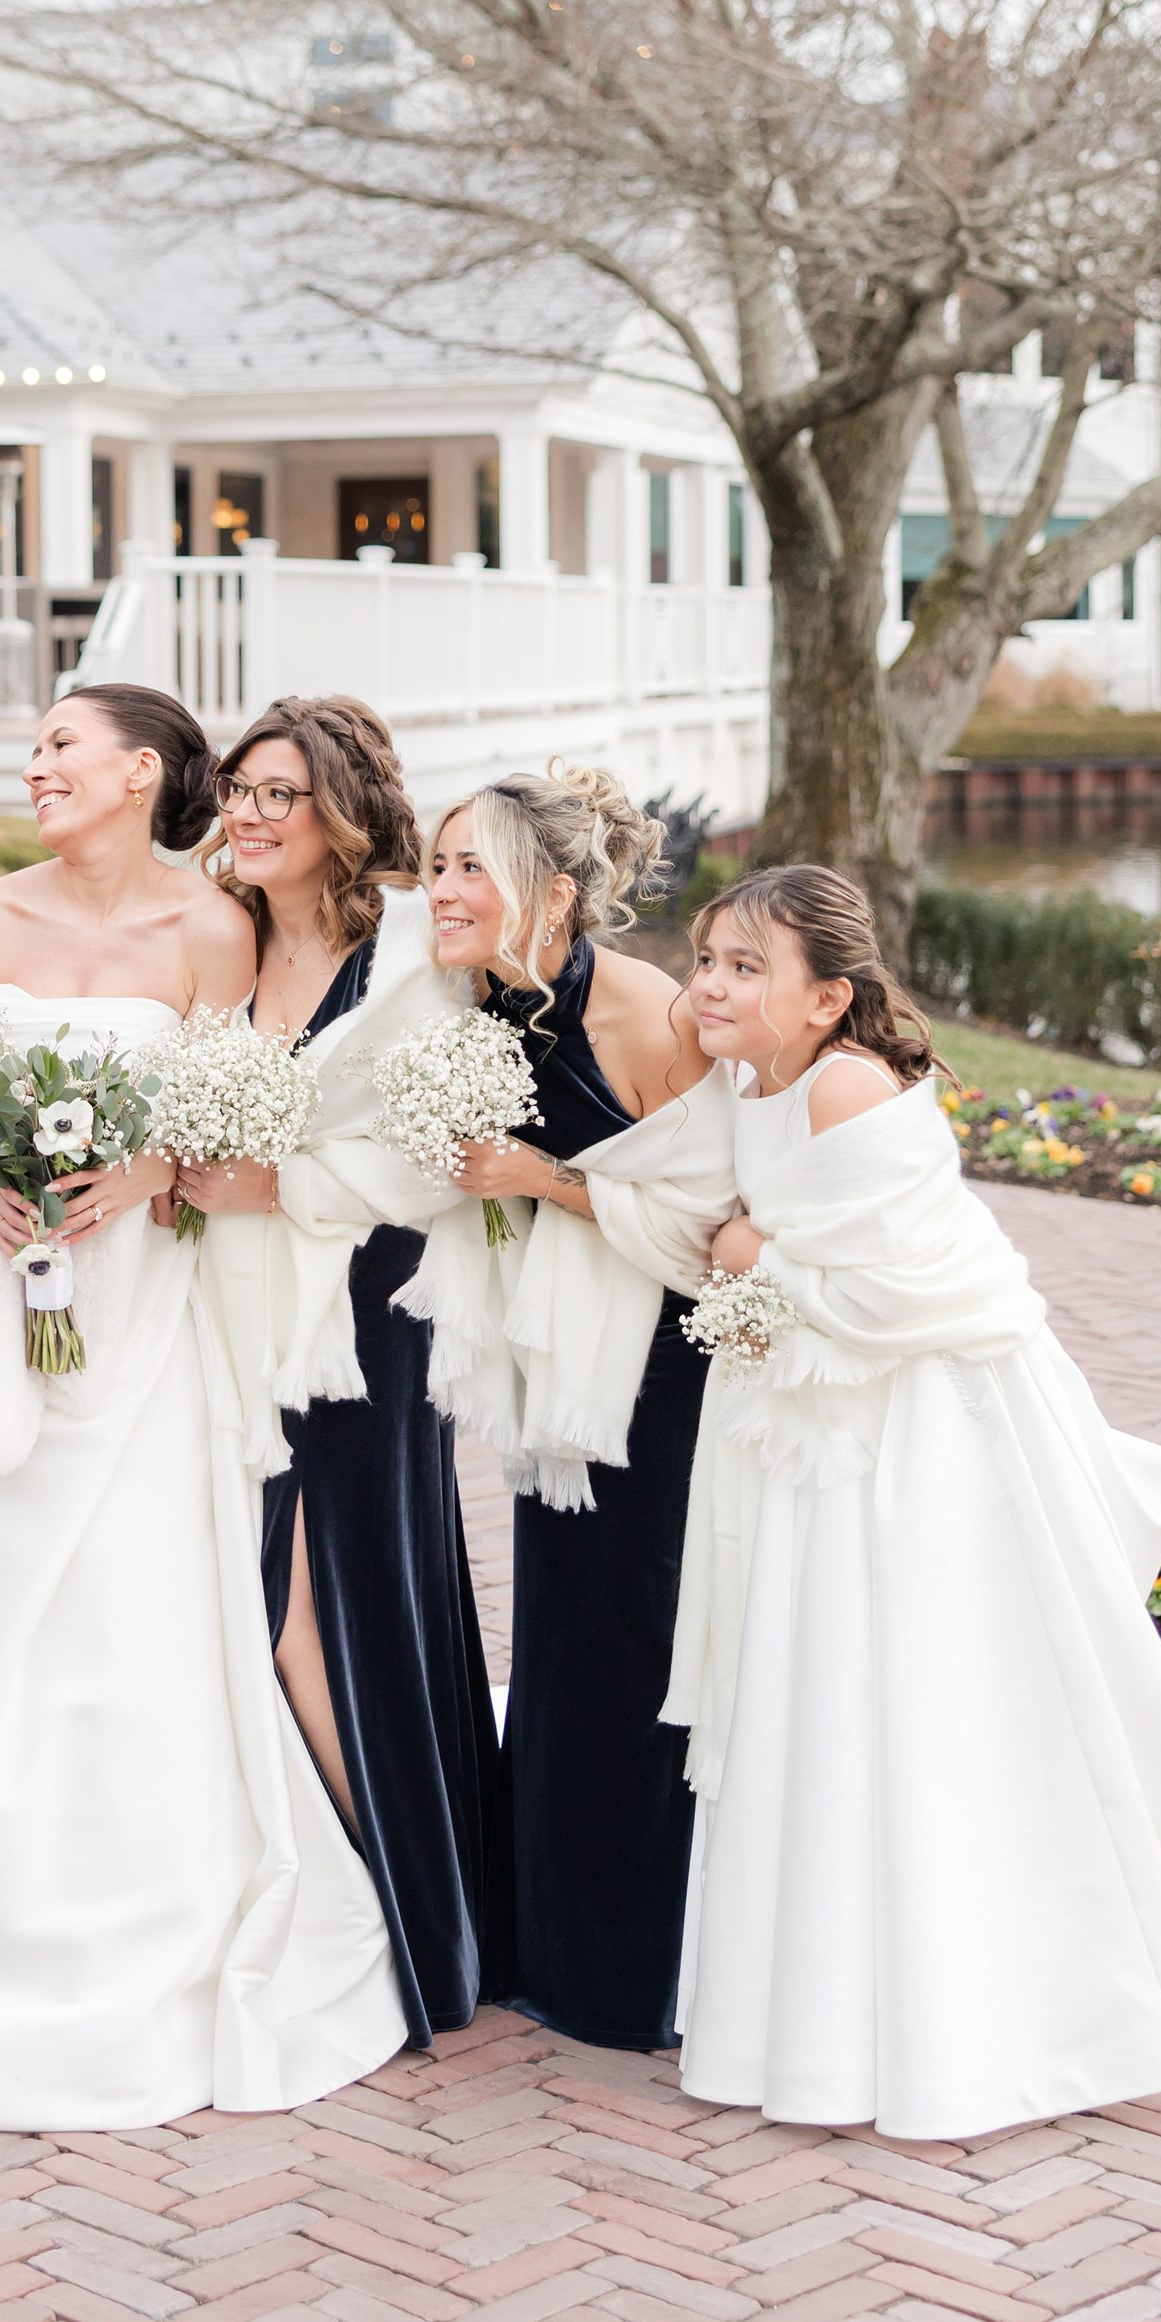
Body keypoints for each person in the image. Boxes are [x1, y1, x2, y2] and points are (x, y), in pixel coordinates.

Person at [0, 681, 409, 2128]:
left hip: (140, 1311)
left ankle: (129, 1917)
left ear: (139, 772)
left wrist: (159, 1170)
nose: (29, 765)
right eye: (33, 747)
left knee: (129, 1607)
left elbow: (227, 1118)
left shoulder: (213, 927)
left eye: (60, 745)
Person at [667, 866, 1161, 2136]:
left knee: (919, 1705)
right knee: (828, 1702)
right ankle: (824, 2023)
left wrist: (749, 1255)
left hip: (920, 1434)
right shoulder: (749, 1083)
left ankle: (979, 2023)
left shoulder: (848, 1087)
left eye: (745, 967)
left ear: (829, 998)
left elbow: (903, 1293)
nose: (710, 985)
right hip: (822, 1431)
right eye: (707, 958)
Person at [171, 693, 496, 2044]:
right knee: (262, 1588)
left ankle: (412, 1922)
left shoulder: (418, 949)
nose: (246, 815)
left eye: (278, 796)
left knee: (337, 1602)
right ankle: (353, 1893)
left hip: (372, 1311)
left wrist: (278, 1185)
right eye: (238, 791)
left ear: (343, 814)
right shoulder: (220, 938)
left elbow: (449, 1150)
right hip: (235, 1309)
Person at [416, 767, 732, 2055]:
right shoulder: (469, 1000)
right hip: (560, 1383)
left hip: (666, 1378)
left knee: (640, 1644)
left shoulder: (647, 1012)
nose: (441, 892)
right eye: (435, 866)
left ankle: (633, 1968)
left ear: (549, 894)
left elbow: (718, 1230)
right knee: (556, 1641)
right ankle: (542, 1943)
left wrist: (541, 1177)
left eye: (467, 868)